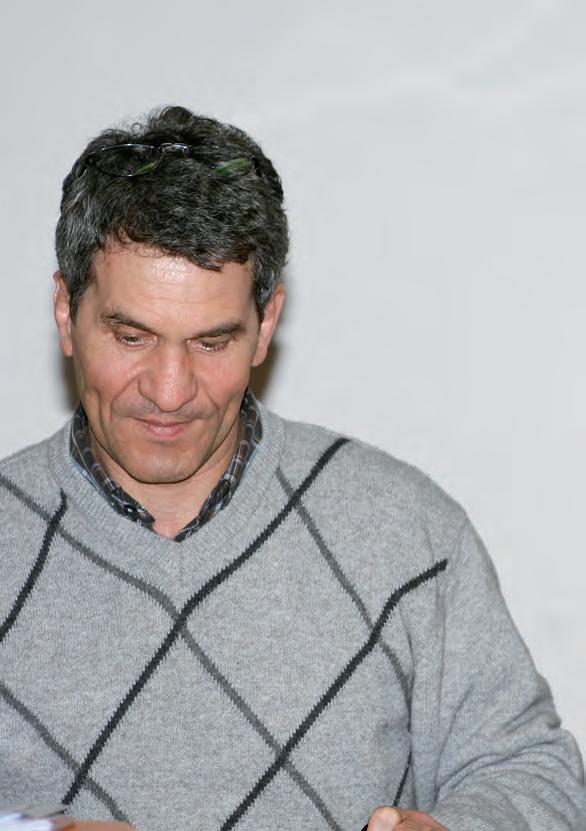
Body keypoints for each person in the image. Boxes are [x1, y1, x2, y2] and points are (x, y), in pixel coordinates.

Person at [0, 105, 584, 831]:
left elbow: (534, 774)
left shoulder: (405, 532)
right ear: (65, 311)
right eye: (132, 336)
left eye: (212, 342)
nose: (170, 390)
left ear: (266, 325)